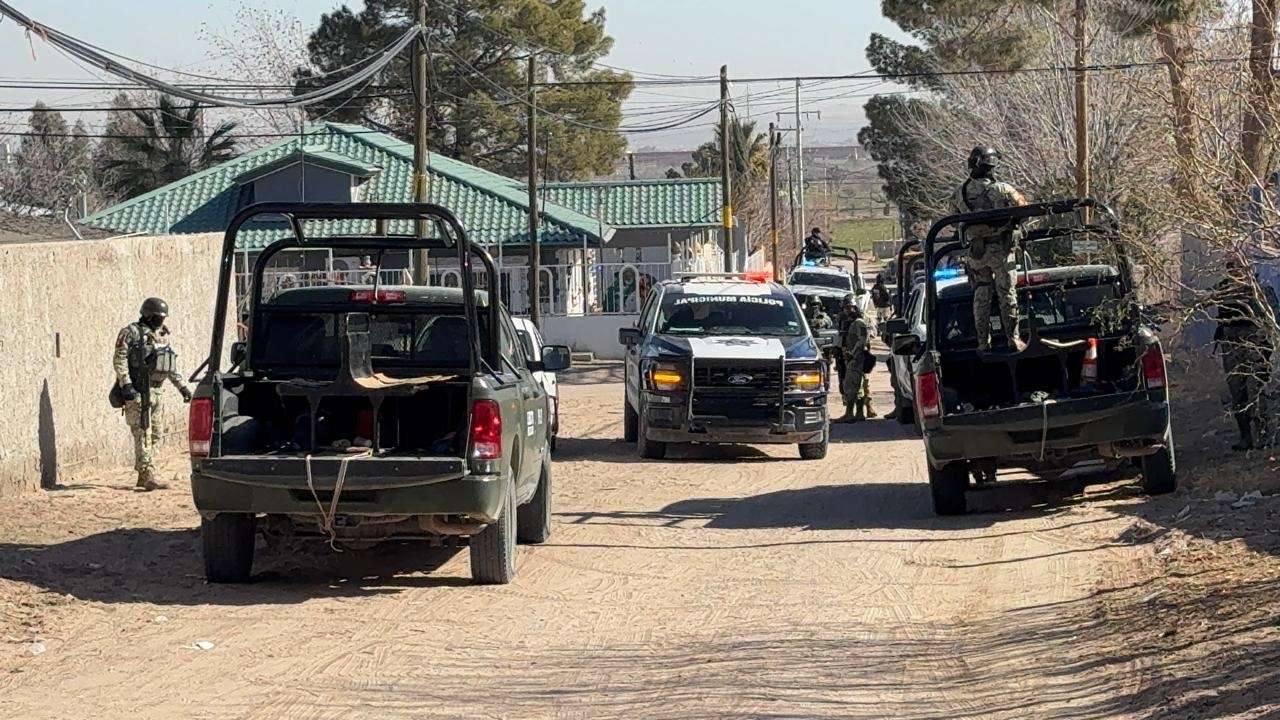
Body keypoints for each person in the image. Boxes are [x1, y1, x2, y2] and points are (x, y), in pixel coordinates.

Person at [951, 146, 1028, 353]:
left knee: (981, 295)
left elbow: (953, 221)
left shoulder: (959, 193)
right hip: (1001, 250)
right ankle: (1013, 339)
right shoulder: (1003, 189)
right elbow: (1024, 209)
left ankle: (983, 343)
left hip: (976, 253)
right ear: (992, 166)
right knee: (1007, 294)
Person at [113, 297, 192, 491]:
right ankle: (146, 473)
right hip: (139, 390)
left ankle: (146, 469)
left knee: (156, 432)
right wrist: (126, 384)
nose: (161, 320)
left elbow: (168, 364)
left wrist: (182, 387)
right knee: (142, 432)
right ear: (148, 315)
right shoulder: (130, 333)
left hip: (157, 390)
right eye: (158, 317)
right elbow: (120, 359)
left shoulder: (162, 335)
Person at [1214, 262, 1278, 451]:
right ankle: (1246, 437)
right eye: (1231, 268)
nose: (1234, 272)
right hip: (1232, 347)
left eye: (1238, 268)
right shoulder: (1222, 290)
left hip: (1256, 346)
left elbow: (1273, 316)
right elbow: (1201, 300)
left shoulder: (1261, 289)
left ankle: (1264, 434)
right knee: (1237, 392)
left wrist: (1266, 339)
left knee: (1257, 390)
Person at [837, 295, 872, 422]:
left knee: (853, 385)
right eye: (845, 308)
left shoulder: (859, 322)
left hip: (857, 358)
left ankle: (851, 413)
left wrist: (852, 353)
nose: (847, 310)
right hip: (852, 358)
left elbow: (863, 340)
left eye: (850, 307)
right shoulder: (848, 321)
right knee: (853, 385)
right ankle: (858, 413)